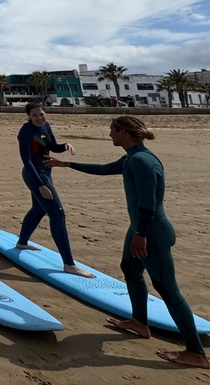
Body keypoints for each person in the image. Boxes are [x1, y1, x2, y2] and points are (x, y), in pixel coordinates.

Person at [46, 116, 208, 370]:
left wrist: (141, 234)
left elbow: (147, 203)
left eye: (112, 130)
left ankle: (196, 352)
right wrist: (66, 164)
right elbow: (105, 168)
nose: (109, 134)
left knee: (167, 288)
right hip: (139, 229)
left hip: (151, 233)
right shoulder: (133, 157)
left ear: (123, 132)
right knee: (130, 270)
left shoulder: (143, 161)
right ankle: (139, 323)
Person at [15, 101, 93, 277]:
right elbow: (26, 161)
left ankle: (22, 243)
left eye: (41, 114)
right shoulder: (25, 132)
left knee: (38, 209)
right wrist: (41, 185)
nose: (39, 118)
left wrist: (65, 145)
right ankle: (69, 264)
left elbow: (53, 147)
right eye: (34, 115)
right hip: (35, 175)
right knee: (57, 213)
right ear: (29, 116)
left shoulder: (46, 126)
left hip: (46, 172)